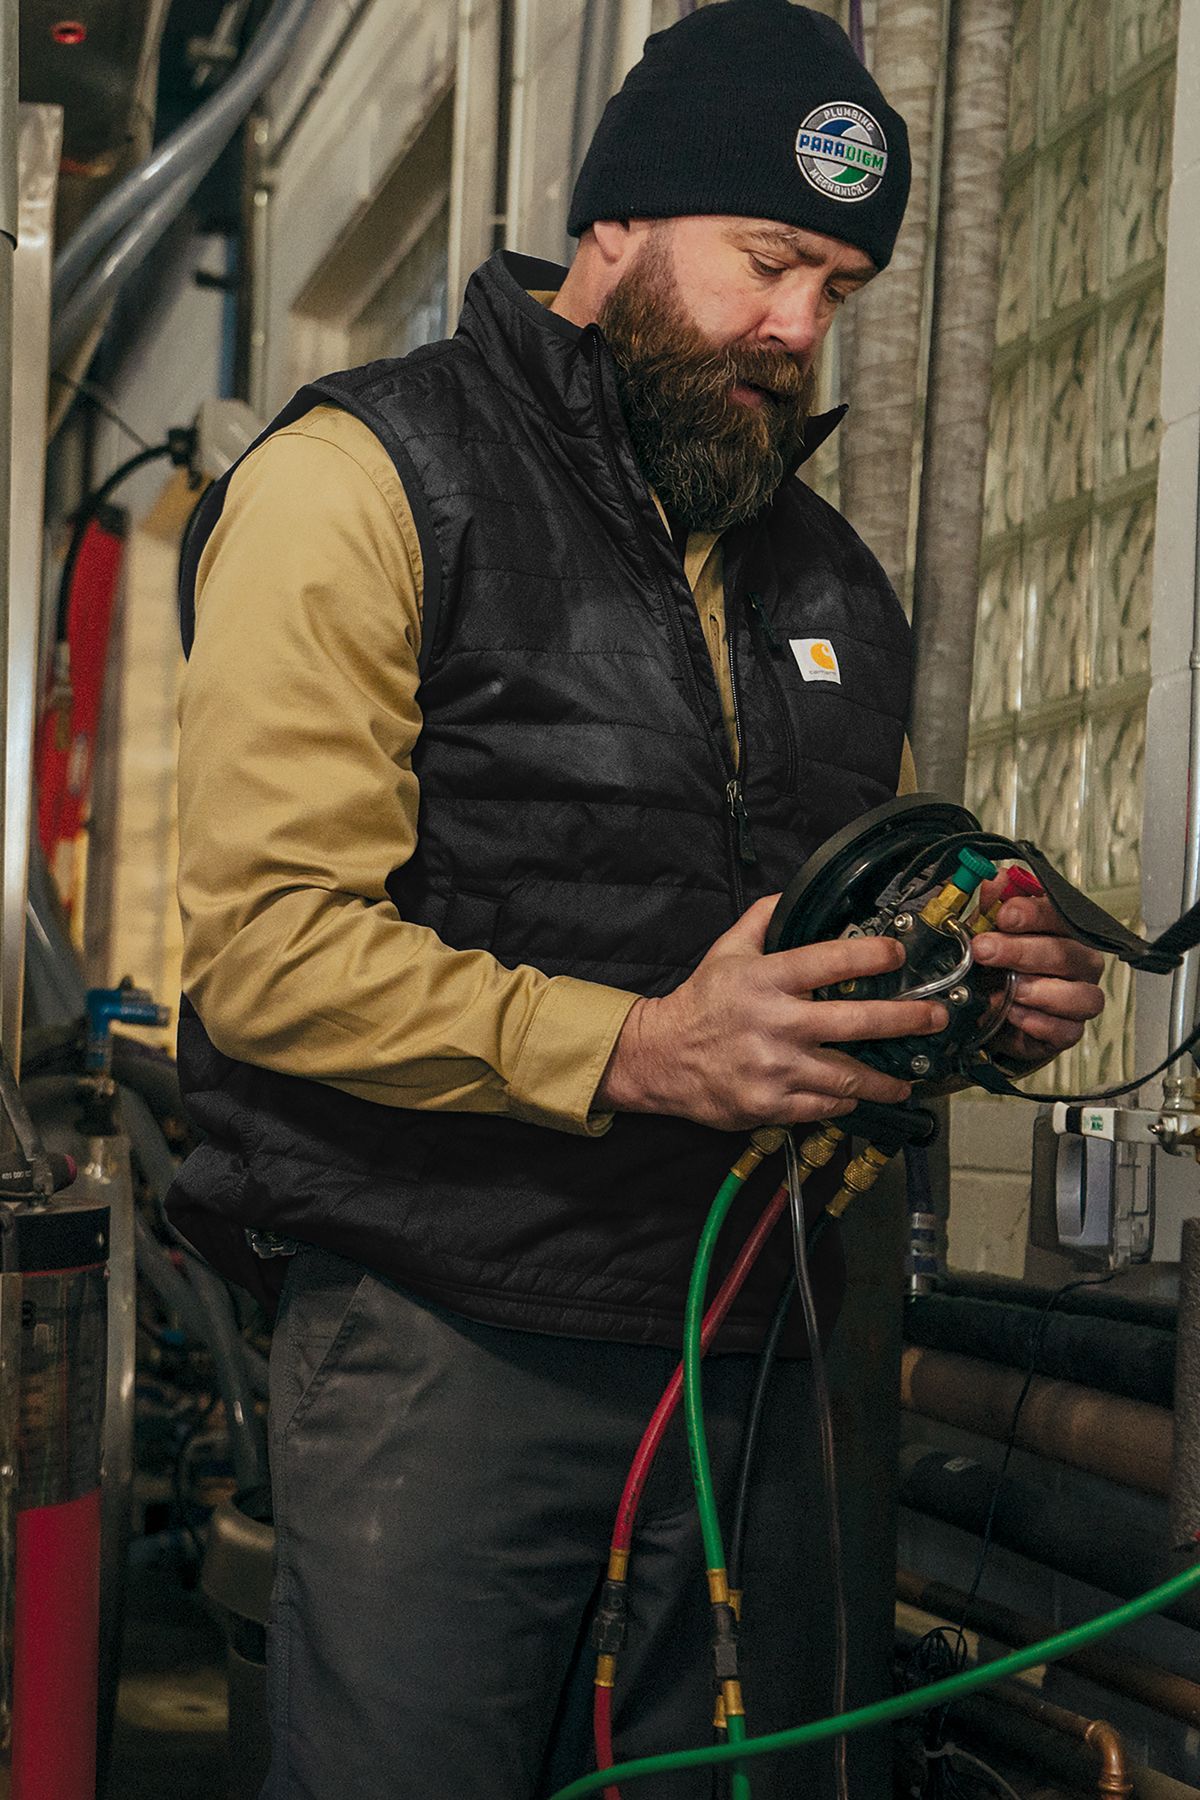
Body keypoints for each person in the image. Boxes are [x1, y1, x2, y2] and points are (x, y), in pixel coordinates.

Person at [170, 4, 1105, 1795]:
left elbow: (815, 950)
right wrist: (639, 1050)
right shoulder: (367, 480)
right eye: (768, 261)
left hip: (763, 1355)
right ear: (618, 222)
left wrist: (971, 988)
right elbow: (269, 952)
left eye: (839, 288)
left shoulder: (825, 572)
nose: (797, 329)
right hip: (450, 1343)